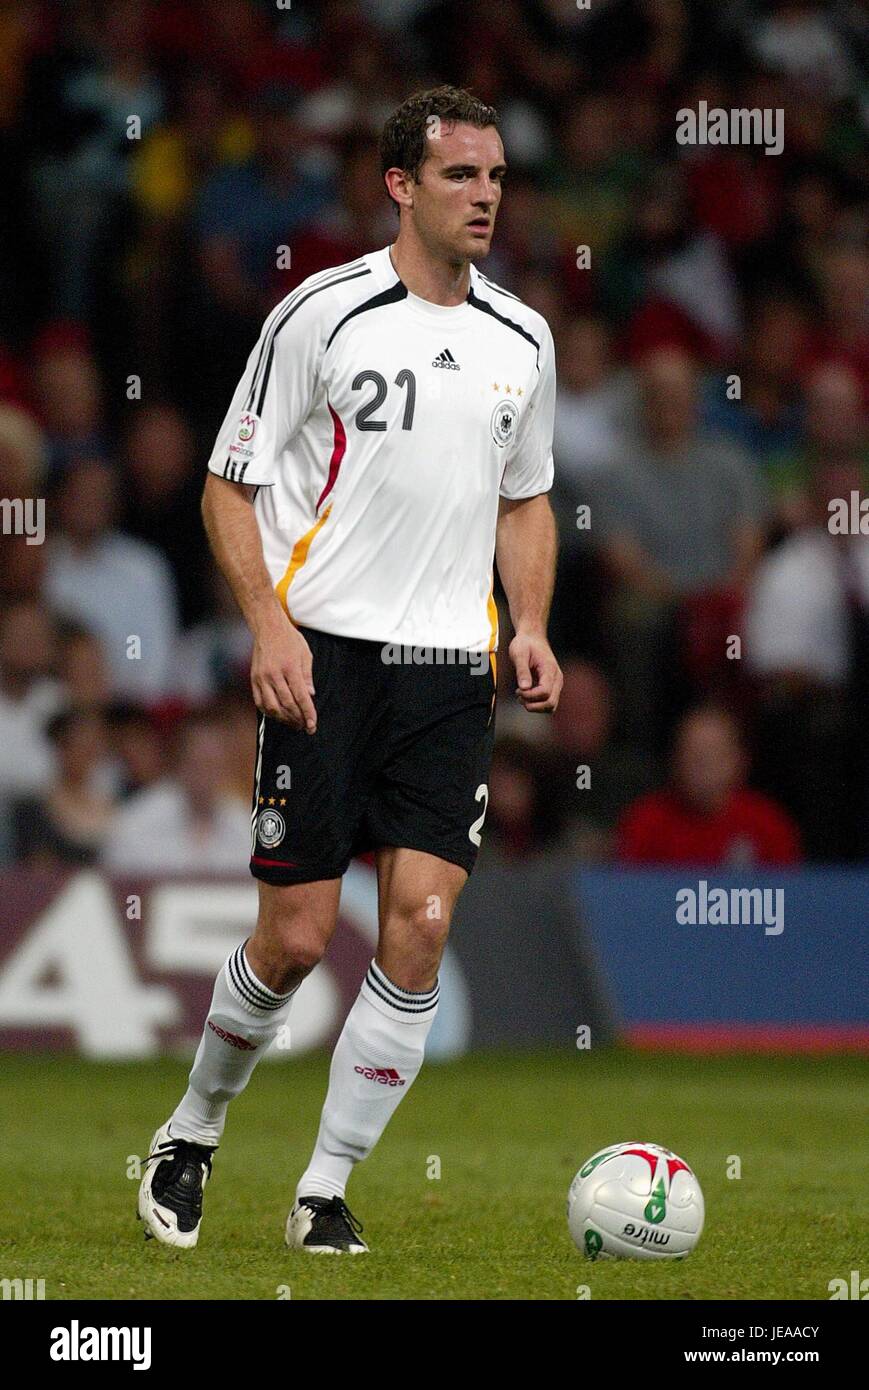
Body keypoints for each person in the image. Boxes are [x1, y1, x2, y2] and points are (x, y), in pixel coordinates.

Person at [138, 84, 561, 1255]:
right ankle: (191, 1132)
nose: (483, 196)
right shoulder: (320, 315)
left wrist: (526, 621)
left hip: (446, 667)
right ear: (399, 185)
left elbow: (524, 501)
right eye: (459, 176)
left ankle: (322, 1189)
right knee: (292, 936)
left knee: (418, 919)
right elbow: (229, 483)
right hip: (320, 653)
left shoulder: (522, 339)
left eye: (493, 177)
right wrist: (267, 625)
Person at [616, 704, 800, 867]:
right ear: (675, 760)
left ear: (740, 761)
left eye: (713, 754)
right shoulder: (645, 822)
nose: (702, 765)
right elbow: (624, 895)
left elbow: (789, 897)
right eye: (693, 753)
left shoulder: (768, 824)